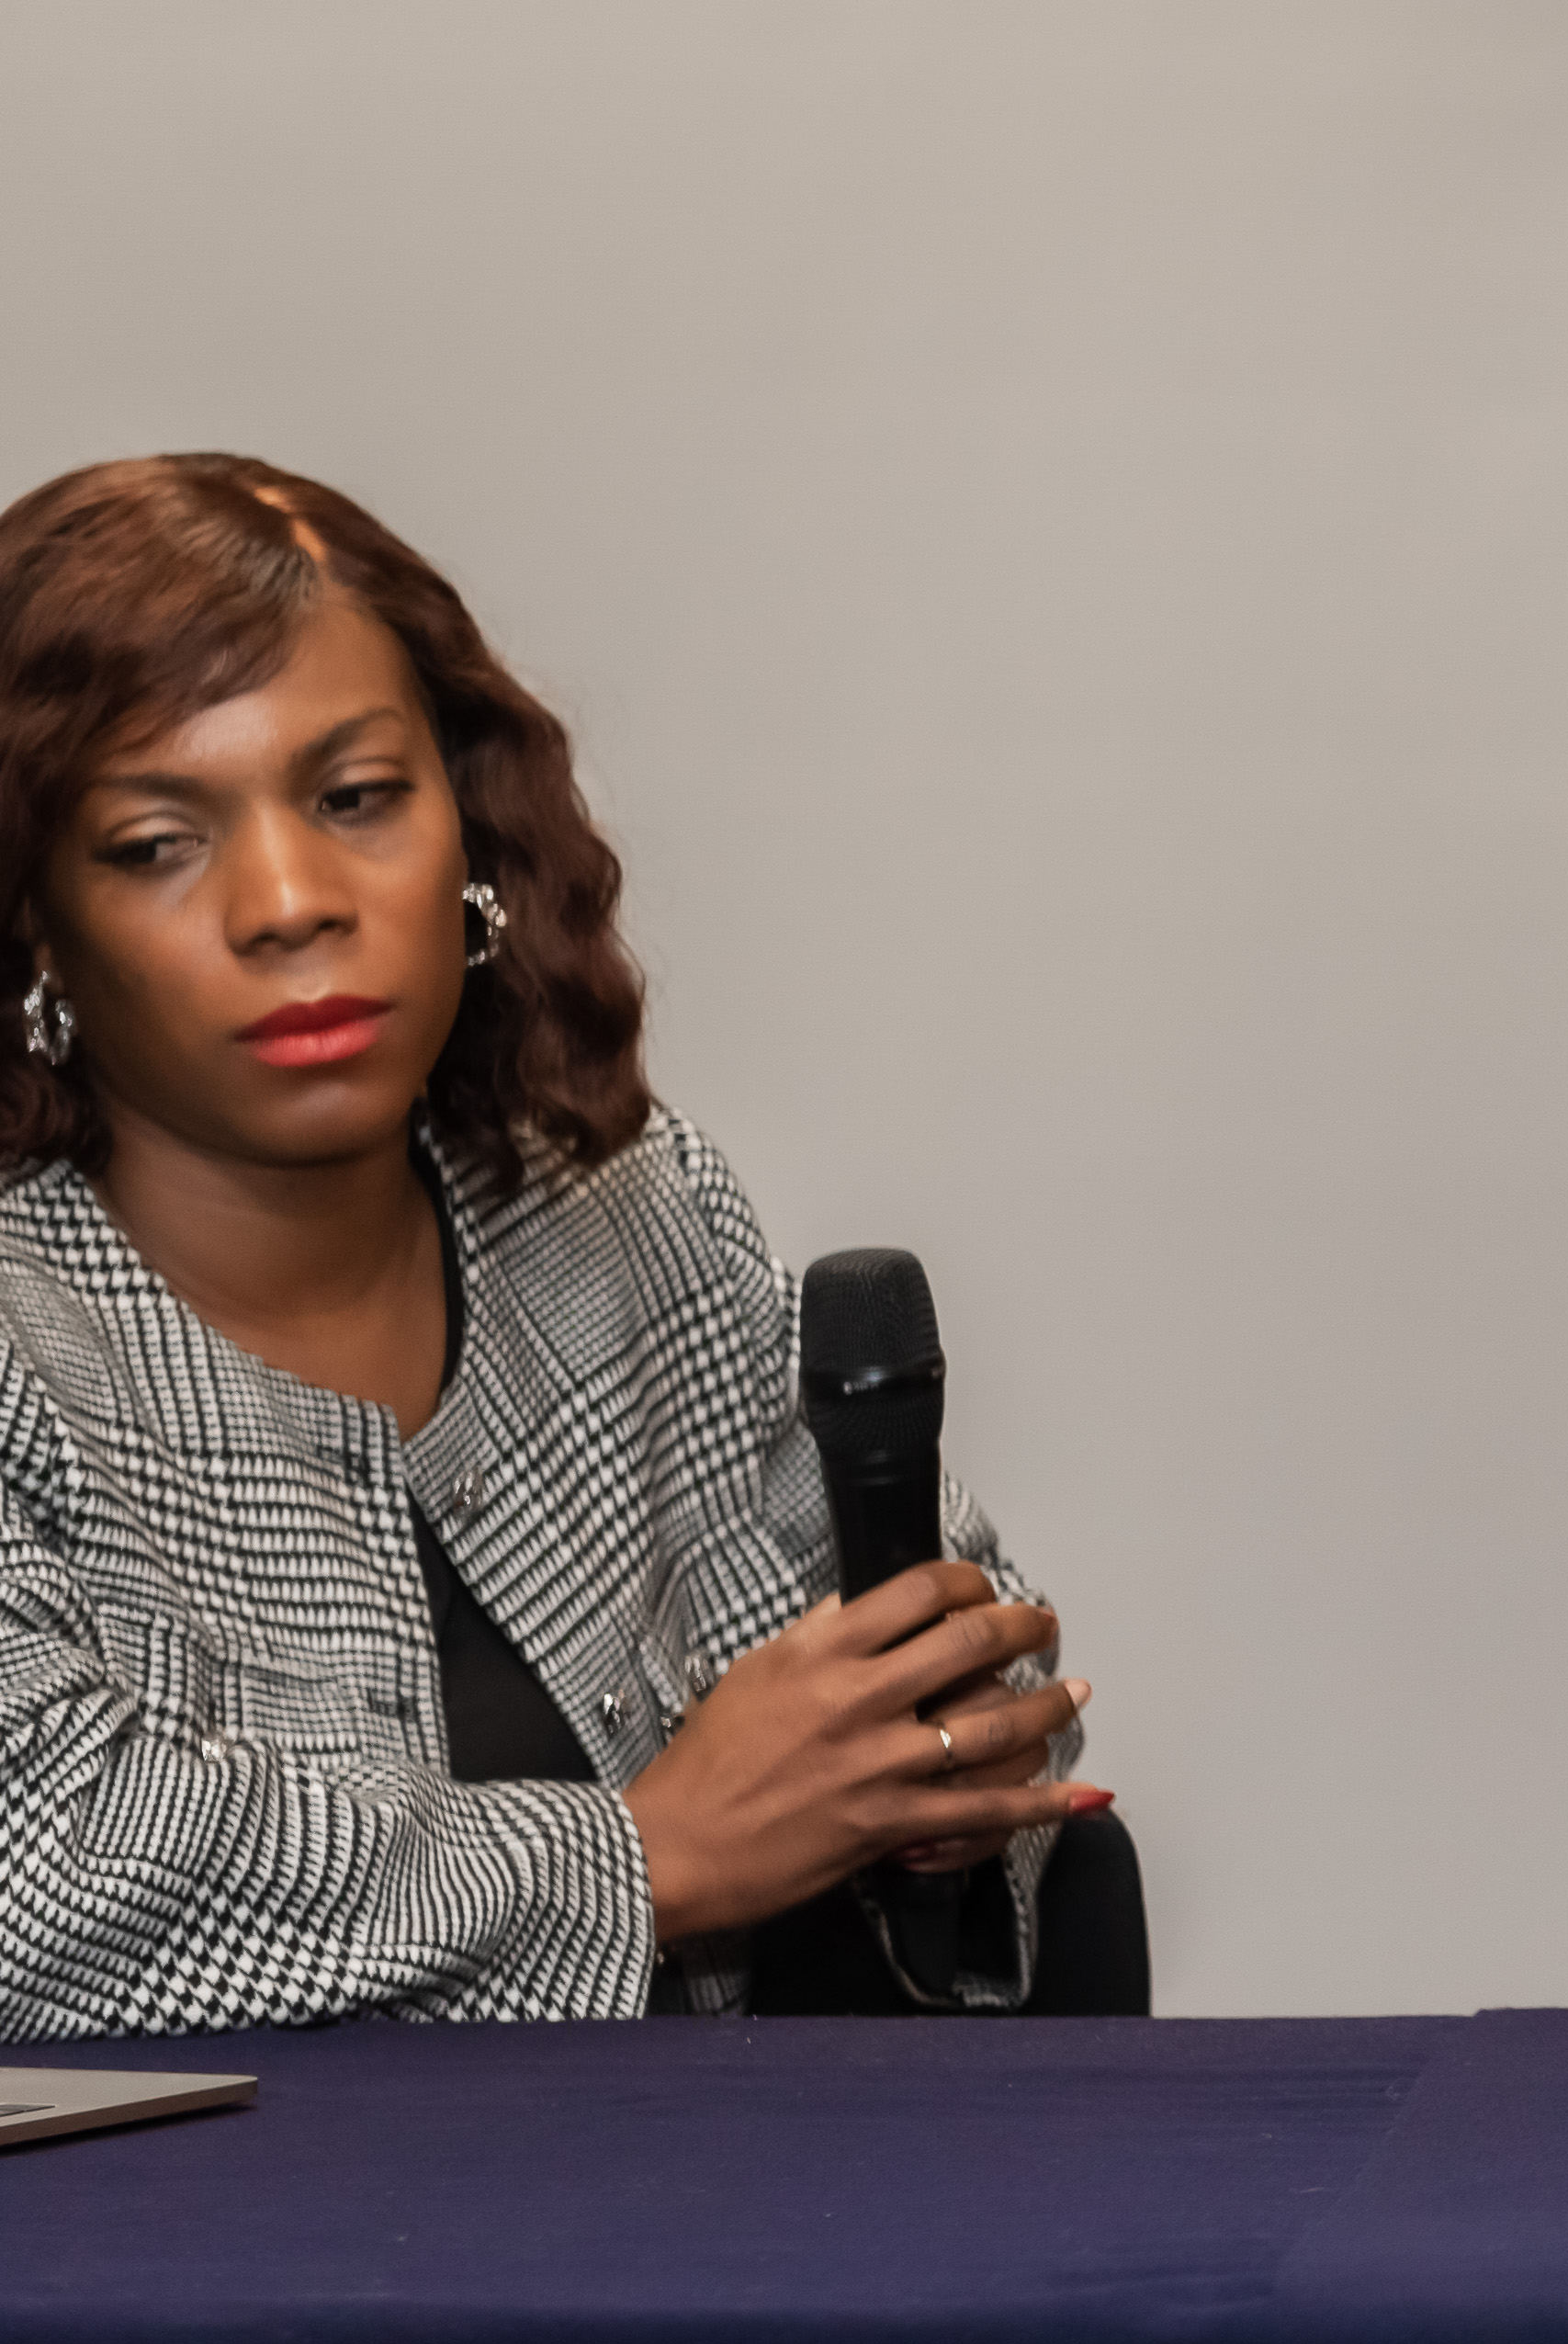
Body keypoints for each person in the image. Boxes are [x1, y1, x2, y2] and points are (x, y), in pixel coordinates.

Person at [0, 455, 1109, 2038]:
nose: (291, 902)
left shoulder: (623, 1211)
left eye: (355, 798)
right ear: (35, 922)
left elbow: (904, 1653)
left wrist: (938, 1758)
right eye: (155, 842)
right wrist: (647, 1859)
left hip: (717, 2179)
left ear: (469, 830)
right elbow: (35, 1879)